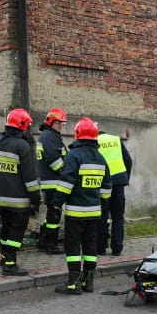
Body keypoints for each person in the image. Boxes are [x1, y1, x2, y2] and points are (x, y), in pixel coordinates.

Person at [51, 117, 111, 294]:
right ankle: (88, 283)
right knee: (90, 247)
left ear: (77, 135)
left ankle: (73, 283)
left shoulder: (73, 156)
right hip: (94, 213)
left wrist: (56, 204)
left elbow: (65, 184)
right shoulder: (100, 158)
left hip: (76, 213)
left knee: (73, 246)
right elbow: (106, 190)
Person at [0, 108, 41, 276]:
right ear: (23, 126)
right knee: (16, 233)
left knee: (5, 231)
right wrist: (36, 199)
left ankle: (4, 257)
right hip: (19, 202)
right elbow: (31, 179)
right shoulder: (23, 146)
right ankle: (10, 265)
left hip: (1, 200)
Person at [35, 107, 68, 254]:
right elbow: (54, 159)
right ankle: (51, 244)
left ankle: (43, 241)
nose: (61, 125)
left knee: (51, 213)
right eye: (58, 123)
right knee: (54, 214)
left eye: (62, 123)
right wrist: (66, 172)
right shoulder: (50, 137)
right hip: (54, 182)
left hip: (50, 182)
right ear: (51, 122)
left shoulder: (48, 135)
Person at [97, 129, 133, 256]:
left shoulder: (94, 141)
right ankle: (117, 249)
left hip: (102, 185)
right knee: (118, 218)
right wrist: (125, 179)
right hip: (118, 184)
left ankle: (100, 248)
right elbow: (128, 160)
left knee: (102, 217)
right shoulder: (116, 139)